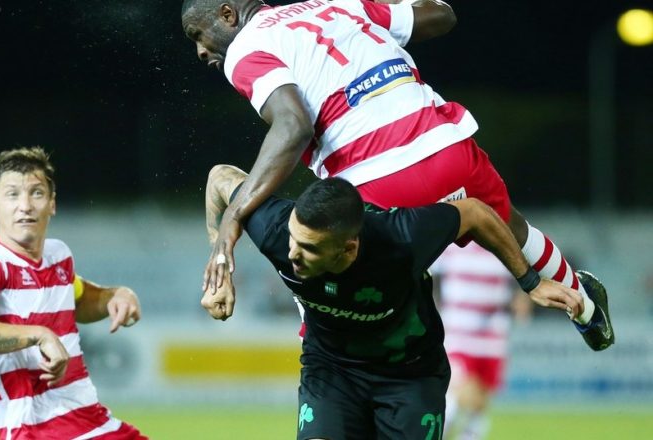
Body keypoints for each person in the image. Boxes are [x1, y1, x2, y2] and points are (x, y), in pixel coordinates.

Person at [181, 0, 614, 351]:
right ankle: (586, 307)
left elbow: (293, 127)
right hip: (449, 147)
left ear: (228, 14)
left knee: (318, 277)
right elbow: (441, 15)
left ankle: (327, 379)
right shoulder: (338, 6)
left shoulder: (245, 49)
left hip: (377, 181)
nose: (200, 51)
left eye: (197, 35)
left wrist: (233, 218)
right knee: (513, 228)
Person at [201, 164, 582, 440]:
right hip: (331, 371)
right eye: (293, 240)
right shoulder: (276, 229)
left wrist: (529, 281)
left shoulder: (401, 238)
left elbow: (475, 212)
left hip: (410, 375)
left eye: (310, 248)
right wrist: (220, 261)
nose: (292, 255)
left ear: (349, 248)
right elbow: (220, 178)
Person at [0, 147, 147, 440]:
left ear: (52, 204)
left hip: (93, 421)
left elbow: (79, 298)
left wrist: (116, 296)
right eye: (12, 194)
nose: (25, 205)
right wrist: (40, 335)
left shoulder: (57, 255)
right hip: (35, 431)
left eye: (36, 193)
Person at [429, 243, 532, 440]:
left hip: (493, 338)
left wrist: (521, 301)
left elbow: (520, 282)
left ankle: (467, 434)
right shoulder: (452, 244)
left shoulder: (503, 244)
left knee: (480, 403)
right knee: (459, 392)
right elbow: (431, 278)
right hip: (458, 333)